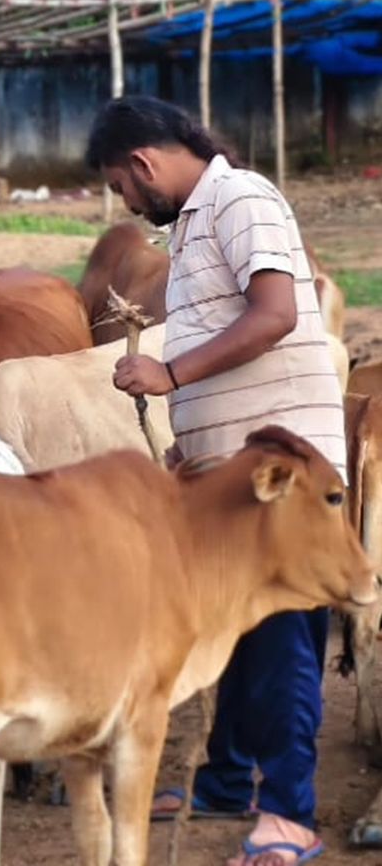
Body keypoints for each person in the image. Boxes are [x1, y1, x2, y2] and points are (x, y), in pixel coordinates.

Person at [85, 95, 345, 866]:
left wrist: (170, 371)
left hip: (281, 470)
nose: (127, 204)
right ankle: (227, 780)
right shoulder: (199, 220)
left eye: (122, 188)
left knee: (280, 637)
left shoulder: (243, 198)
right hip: (233, 466)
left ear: (142, 164)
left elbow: (274, 315)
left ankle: (291, 816)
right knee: (233, 626)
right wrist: (193, 447)